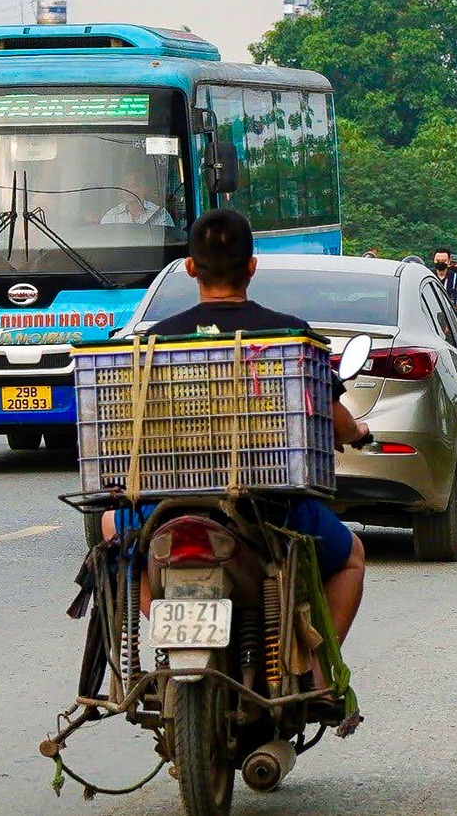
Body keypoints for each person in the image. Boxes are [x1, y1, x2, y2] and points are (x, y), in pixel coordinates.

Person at [102, 208, 370, 643]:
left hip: (170, 500)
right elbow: (334, 419)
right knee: (352, 557)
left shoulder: (153, 342)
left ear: (191, 268)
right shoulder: (288, 334)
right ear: (252, 266)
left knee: (113, 528)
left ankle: (166, 626)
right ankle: (322, 679)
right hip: (269, 504)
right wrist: (356, 432)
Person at [431, 247, 457, 314]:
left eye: (444, 261)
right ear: (433, 260)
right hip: (431, 309)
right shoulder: (428, 274)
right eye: (438, 261)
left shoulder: (455, 276)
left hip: (449, 311)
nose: (440, 263)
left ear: (449, 261)